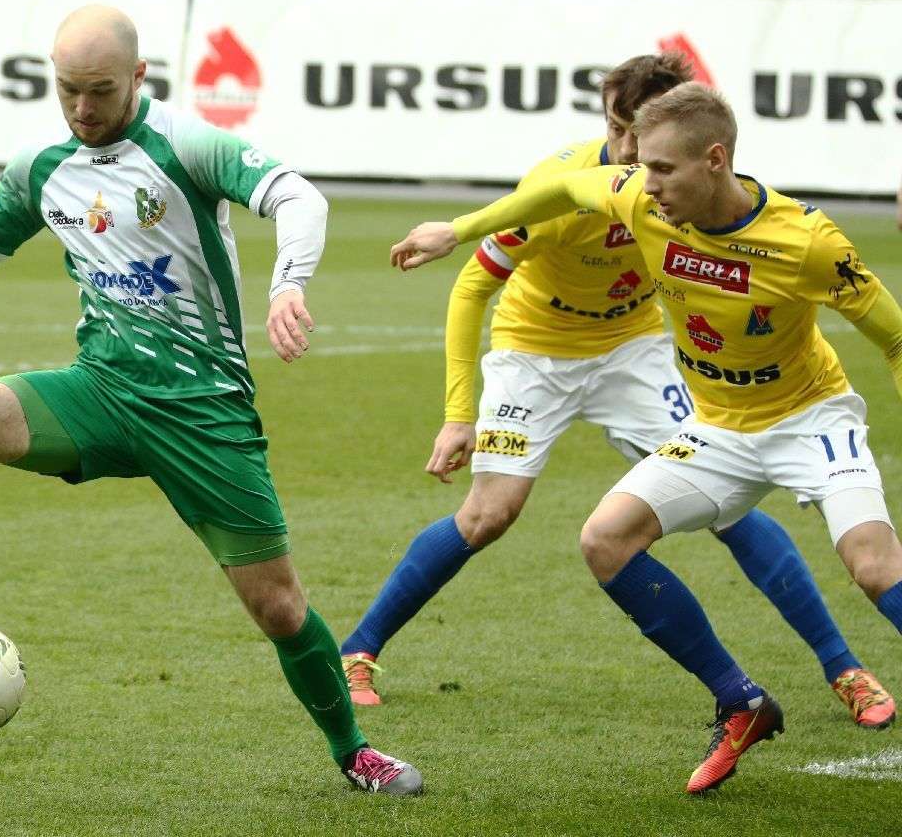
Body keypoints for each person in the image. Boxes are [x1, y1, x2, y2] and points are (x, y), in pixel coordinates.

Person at [0, 4, 421, 796]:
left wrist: (288, 284)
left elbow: (301, 198)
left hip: (201, 412)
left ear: (139, 76)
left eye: (101, 90)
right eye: (68, 90)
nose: (83, 108)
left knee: (279, 607)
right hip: (101, 389)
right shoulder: (43, 166)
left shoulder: (187, 146)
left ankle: (353, 752)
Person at [343, 54, 894, 734]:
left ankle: (842, 665)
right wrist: (459, 411)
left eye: (642, 135)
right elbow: (475, 283)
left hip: (633, 349)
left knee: (731, 507)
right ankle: (359, 649)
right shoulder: (585, 185)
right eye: (616, 129)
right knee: (488, 514)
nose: (628, 150)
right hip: (536, 350)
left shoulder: (688, 189)